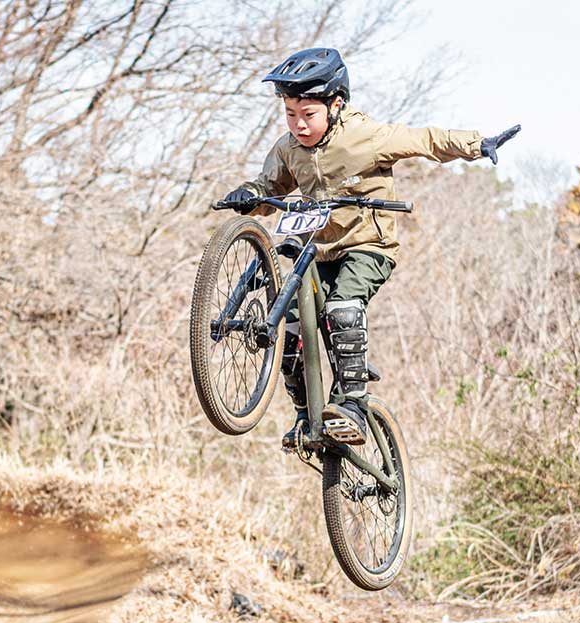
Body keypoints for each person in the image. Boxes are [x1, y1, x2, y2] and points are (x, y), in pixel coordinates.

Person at [220, 47, 519, 447]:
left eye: (308, 116)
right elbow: (269, 186)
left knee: (343, 307)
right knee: (287, 325)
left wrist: (478, 144)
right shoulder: (288, 148)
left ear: (336, 104)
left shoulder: (365, 136)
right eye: (290, 115)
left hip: (367, 246)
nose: (299, 126)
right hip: (320, 252)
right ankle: (307, 418)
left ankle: (354, 408)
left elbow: (425, 139)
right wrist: (249, 194)